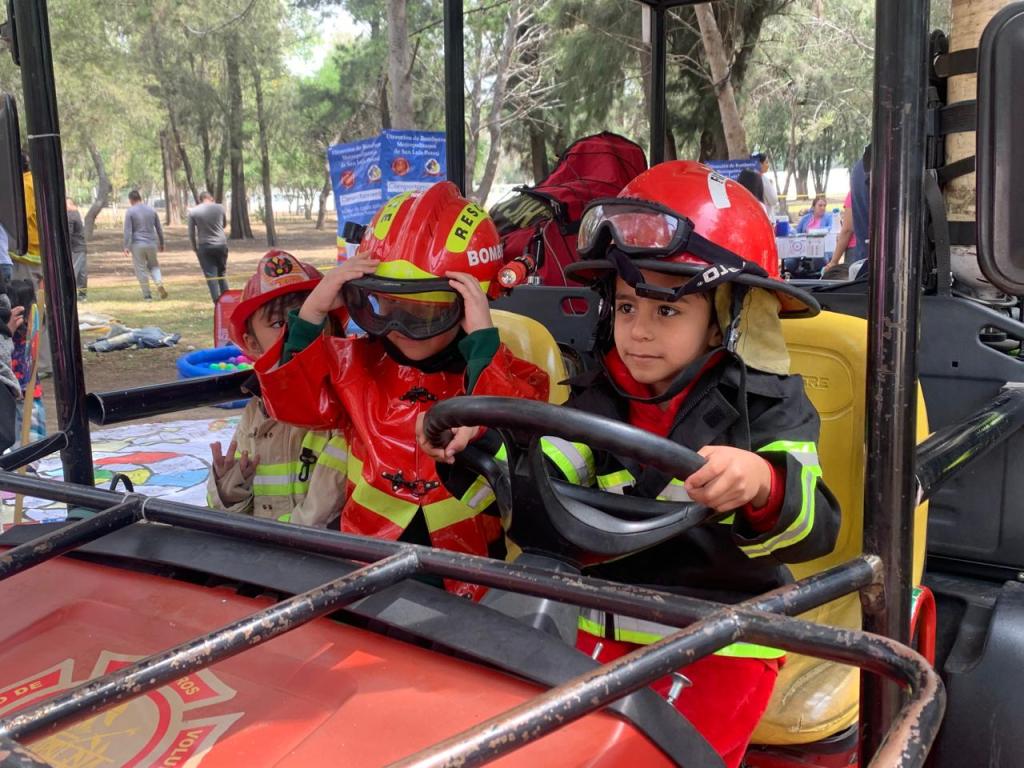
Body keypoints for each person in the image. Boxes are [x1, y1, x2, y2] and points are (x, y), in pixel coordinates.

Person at [427, 161, 841, 767]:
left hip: (722, 640)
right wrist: (480, 448)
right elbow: (548, 476)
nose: (638, 333)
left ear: (728, 318)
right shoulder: (597, 397)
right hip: (591, 622)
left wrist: (761, 485)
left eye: (666, 310)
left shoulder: (771, 406)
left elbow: (814, 524)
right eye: (626, 308)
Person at [253, 181, 550, 599]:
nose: (396, 328)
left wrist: (483, 345)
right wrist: (313, 312)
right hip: (365, 558)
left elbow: (519, 419)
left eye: (422, 313)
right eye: (381, 307)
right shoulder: (351, 365)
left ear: (469, 305)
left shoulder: (507, 372)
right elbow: (292, 402)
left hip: (468, 567)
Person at [207, 250, 348, 527]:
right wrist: (228, 487)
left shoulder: (340, 409)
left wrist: (271, 545)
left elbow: (321, 513)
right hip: (266, 554)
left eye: (312, 316)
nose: (297, 333)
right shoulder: (255, 410)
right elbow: (228, 516)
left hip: (312, 557)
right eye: (278, 323)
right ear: (253, 344)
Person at [826, 145, 871, 270]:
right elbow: (847, 228)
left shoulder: (858, 171)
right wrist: (834, 262)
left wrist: (833, 262)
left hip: (861, 253)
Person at [123, 190, 167, 301]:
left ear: (131, 200)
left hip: (137, 244)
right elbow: (158, 228)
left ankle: (147, 295)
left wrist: (126, 246)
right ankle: (158, 283)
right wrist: (161, 243)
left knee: (141, 269)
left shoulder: (130, 211)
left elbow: (128, 231)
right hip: (151, 243)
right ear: (140, 198)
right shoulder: (152, 210)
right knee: (154, 265)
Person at [188, 191, 229, 303]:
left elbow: (191, 233)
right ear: (211, 198)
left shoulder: (194, 211)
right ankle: (227, 299)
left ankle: (217, 302)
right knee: (222, 273)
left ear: (200, 199)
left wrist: (194, 247)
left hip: (205, 245)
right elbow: (224, 224)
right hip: (221, 244)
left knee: (211, 276)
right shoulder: (220, 208)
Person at [66, 198, 87, 301]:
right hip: (82, 246)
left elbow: (68, 234)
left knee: (73, 271)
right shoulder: (77, 213)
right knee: (82, 273)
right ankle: (82, 295)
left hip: (75, 248)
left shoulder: (71, 215)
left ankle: (71, 294)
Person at [753, 152, 779, 219]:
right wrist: (771, 185)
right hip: (765, 217)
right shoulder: (763, 179)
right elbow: (773, 200)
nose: (768, 165)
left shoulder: (747, 177)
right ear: (759, 164)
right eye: (766, 162)